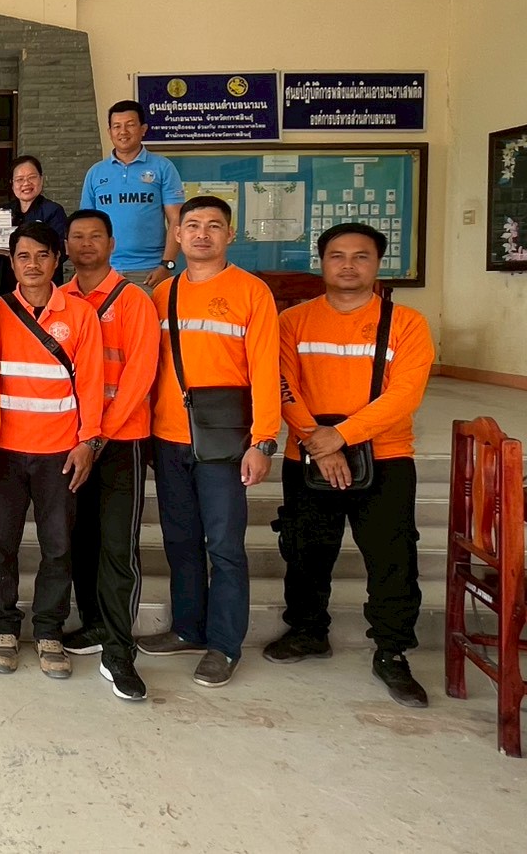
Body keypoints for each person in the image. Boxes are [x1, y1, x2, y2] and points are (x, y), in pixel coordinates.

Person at [266, 222, 435, 707]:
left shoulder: (406, 323)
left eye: (361, 256)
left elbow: (404, 395)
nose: (348, 265)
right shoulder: (293, 322)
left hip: (386, 457)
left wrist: (340, 436)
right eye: (337, 255)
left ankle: (392, 649)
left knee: (392, 556)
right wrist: (319, 443)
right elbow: (282, 384)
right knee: (304, 549)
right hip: (308, 456)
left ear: (378, 264)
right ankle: (307, 630)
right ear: (321, 263)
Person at [138, 195, 280, 688]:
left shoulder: (252, 292)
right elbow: (149, 368)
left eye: (214, 225)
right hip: (167, 438)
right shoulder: (162, 294)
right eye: (192, 225)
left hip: (224, 443)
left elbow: (266, 370)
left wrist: (264, 440)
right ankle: (188, 629)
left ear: (230, 234)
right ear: (177, 235)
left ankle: (223, 645)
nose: (202, 234)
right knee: (180, 541)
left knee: (224, 546)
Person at [0, 222, 104, 679]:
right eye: (23, 256)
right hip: (6, 453)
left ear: (57, 260)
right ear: (11, 263)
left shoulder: (80, 315)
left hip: (60, 454)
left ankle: (49, 630)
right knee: (1, 545)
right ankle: (4, 628)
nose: (32, 265)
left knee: (58, 546)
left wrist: (88, 441)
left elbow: (91, 383)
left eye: (42, 255)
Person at [56, 210, 160, 701]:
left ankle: (120, 650)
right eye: (77, 237)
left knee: (118, 547)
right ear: (66, 246)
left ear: (112, 244)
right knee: (81, 540)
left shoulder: (134, 300)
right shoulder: (60, 300)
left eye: (95, 236)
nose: (86, 244)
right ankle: (95, 624)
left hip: (120, 442)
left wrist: (99, 436)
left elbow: (139, 376)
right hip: (72, 442)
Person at [80, 101, 184, 288]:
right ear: (109, 132)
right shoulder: (95, 173)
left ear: (143, 129)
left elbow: (176, 219)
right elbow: (85, 226)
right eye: (117, 126)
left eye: (130, 125)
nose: (123, 132)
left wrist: (167, 264)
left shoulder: (163, 167)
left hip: (150, 272)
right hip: (104, 271)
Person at [0, 155, 70, 295]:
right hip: (5, 283)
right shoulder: (3, 211)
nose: (26, 183)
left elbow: (61, 251)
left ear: (41, 179)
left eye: (32, 177)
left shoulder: (53, 211)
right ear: (12, 184)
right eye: (19, 179)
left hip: (41, 283)